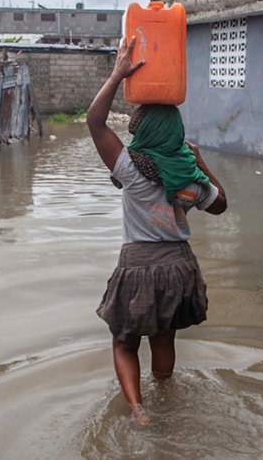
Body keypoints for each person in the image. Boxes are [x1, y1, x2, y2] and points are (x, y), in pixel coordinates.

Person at [86, 37, 227, 424]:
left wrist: (118, 74)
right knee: (164, 337)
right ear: (176, 132)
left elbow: (94, 121)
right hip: (179, 265)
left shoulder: (131, 169)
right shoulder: (191, 179)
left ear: (144, 132)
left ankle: (138, 409)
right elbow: (221, 205)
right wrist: (200, 163)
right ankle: (166, 394)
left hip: (139, 265)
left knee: (123, 341)